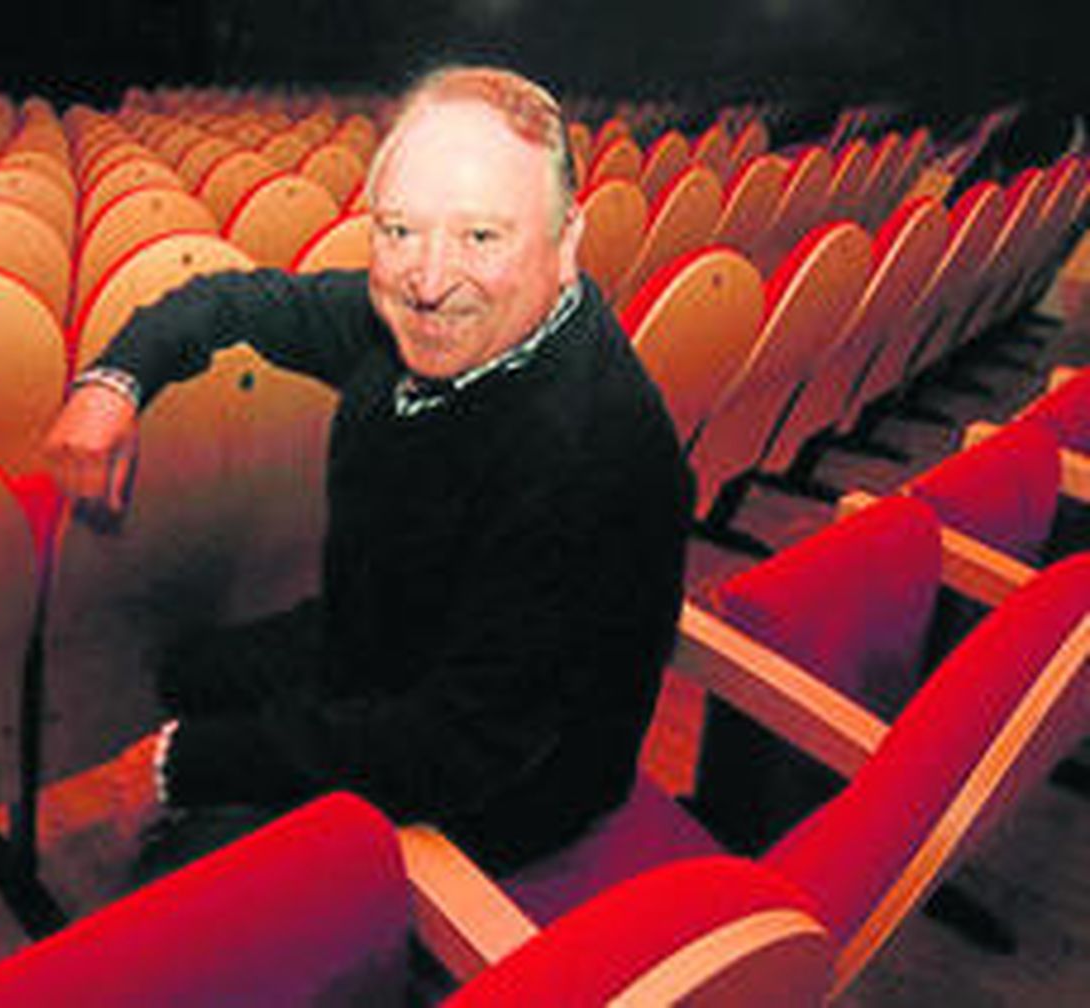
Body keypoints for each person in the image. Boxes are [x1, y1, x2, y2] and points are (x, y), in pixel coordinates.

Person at [41, 65, 693, 877]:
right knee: (187, 670)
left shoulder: (590, 456)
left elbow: (457, 749)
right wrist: (114, 380)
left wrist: (186, 765)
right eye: (400, 230)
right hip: (388, 644)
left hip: (504, 788)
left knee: (179, 877)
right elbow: (235, 302)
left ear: (567, 244)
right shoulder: (414, 317)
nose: (427, 280)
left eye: (482, 236)